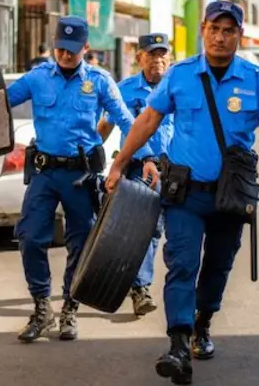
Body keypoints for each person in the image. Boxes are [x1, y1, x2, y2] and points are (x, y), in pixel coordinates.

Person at [104, 0, 259, 384]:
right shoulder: (180, 75)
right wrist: (119, 161)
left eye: (228, 30)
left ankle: (203, 321)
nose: (220, 36)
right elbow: (148, 120)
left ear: (238, 36)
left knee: (217, 266)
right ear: (203, 30)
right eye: (214, 28)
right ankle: (178, 344)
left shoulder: (256, 78)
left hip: (232, 196)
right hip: (185, 193)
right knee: (182, 263)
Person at [6, 16, 151, 343]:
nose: (65, 55)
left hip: (81, 176)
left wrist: (148, 157)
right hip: (44, 174)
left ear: (86, 47)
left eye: (72, 50)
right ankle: (42, 307)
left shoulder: (100, 81)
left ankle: (69, 307)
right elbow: (0, 101)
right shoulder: (38, 77)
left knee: (80, 244)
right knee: (30, 237)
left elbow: (128, 121)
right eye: (60, 48)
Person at [97, 32, 174, 317]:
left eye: (162, 54)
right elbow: (105, 126)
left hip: (174, 170)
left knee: (159, 230)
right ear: (139, 57)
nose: (157, 60)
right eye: (151, 54)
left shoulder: (177, 88)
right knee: (146, 227)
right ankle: (141, 288)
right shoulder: (125, 89)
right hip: (138, 167)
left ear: (170, 58)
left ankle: (139, 280)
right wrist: (94, 157)